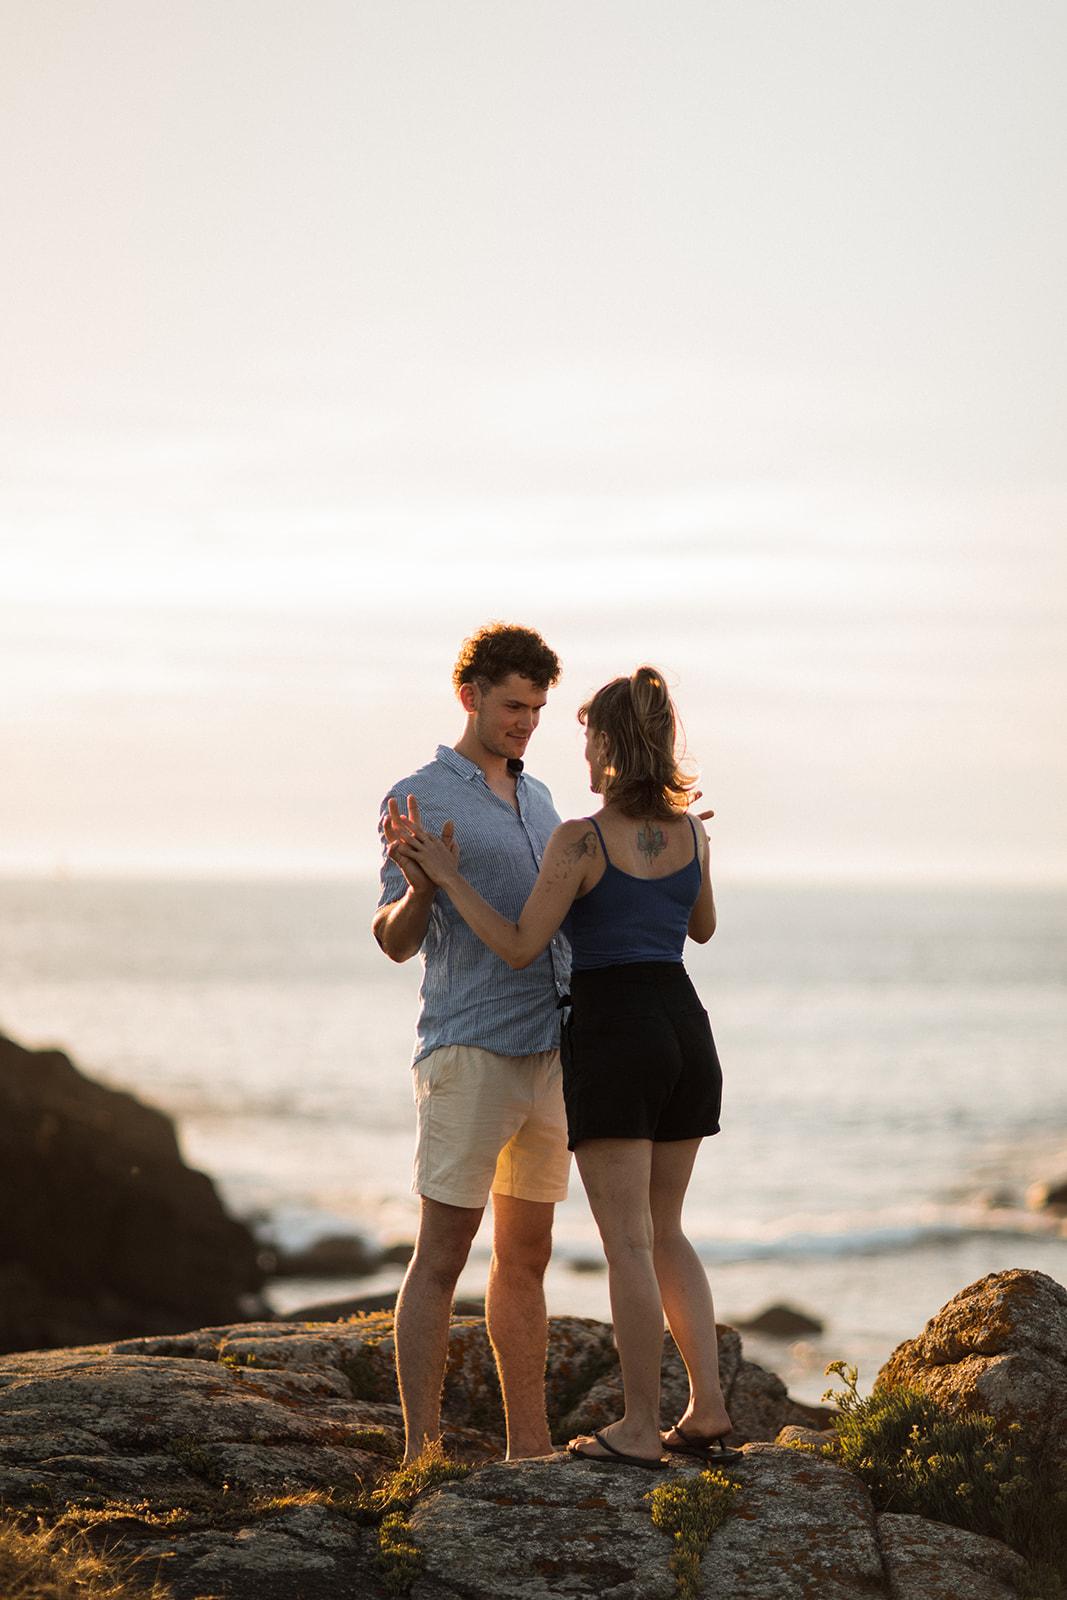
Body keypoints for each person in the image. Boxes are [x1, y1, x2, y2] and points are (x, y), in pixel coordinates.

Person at [389, 666, 735, 1470]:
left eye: (583, 733)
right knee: (667, 1231)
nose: (573, 747)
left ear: (610, 743)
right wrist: (678, 859)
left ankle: (642, 1429)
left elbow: (517, 944)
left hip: (618, 1036)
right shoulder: (694, 832)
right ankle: (708, 1409)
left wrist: (445, 877)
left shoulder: (578, 836)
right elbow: (703, 926)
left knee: (627, 1245)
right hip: (687, 1030)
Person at [373, 622, 571, 1464]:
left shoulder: (542, 799)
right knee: (443, 1253)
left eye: (536, 708)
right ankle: (421, 1454)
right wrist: (421, 888)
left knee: (526, 1255)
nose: (525, 723)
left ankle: (529, 1449)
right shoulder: (418, 796)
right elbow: (392, 938)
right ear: (470, 696)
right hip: (469, 1048)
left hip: (552, 1049)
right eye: (511, 706)